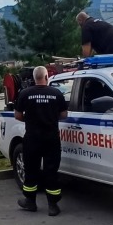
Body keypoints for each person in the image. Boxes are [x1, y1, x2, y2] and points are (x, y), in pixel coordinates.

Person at [14, 67, 68, 216]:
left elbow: (17, 115)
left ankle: (30, 202)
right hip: (51, 138)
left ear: (34, 78)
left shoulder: (25, 93)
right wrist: (51, 118)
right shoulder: (56, 93)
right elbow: (64, 114)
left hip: (32, 138)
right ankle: (53, 206)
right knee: (51, 171)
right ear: (46, 76)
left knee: (31, 170)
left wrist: (30, 120)